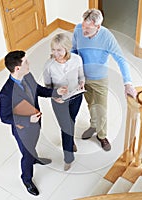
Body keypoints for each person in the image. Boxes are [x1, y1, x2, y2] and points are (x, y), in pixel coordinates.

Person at [0, 50, 67, 196]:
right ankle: (27, 179)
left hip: (36, 123)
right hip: (23, 130)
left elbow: (39, 90)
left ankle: (35, 158)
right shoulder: (5, 93)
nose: (29, 63)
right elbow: (5, 117)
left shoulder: (27, 76)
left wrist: (55, 92)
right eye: (26, 62)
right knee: (27, 155)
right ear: (17, 68)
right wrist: (28, 120)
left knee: (33, 146)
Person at [71, 8, 137, 151]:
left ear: (98, 27)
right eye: (83, 26)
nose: (84, 31)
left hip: (100, 79)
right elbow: (74, 51)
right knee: (91, 105)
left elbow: (121, 59)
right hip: (83, 78)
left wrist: (128, 83)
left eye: (88, 28)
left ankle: (102, 135)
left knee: (101, 109)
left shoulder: (107, 37)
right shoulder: (77, 30)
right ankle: (93, 125)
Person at [43, 33, 85, 171]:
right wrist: (54, 95)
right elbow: (48, 86)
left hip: (75, 97)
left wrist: (82, 82)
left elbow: (81, 76)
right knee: (66, 127)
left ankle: (70, 141)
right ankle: (68, 157)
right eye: (53, 50)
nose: (56, 53)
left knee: (71, 121)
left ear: (67, 48)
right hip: (59, 101)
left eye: (59, 50)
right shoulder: (49, 65)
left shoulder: (77, 59)